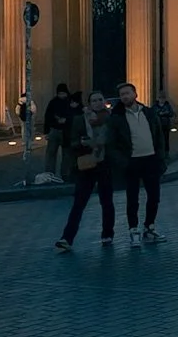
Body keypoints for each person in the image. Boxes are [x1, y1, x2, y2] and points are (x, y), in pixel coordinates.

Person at [106, 82, 168, 247]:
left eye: (127, 93)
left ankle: (149, 227)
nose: (125, 96)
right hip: (131, 162)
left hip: (151, 160)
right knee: (132, 199)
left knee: (154, 197)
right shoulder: (116, 117)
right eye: (122, 94)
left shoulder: (149, 112)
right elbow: (111, 144)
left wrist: (161, 157)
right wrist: (123, 162)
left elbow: (159, 136)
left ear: (135, 94)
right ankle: (133, 230)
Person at [55, 89, 116, 251]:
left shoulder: (111, 119)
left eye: (100, 99)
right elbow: (71, 142)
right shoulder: (80, 120)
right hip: (86, 164)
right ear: (89, 104)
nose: (97, 102)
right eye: (94, 100)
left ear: (104, 101)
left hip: (104, 164)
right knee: (79, 203)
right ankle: (67, 238)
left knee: (107, 201)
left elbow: (116, 141)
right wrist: (82, 143)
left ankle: (107, 234)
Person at [42, 83, 74, 183]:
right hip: (55, 130)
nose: (61, 95)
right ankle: (49, 174)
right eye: (60, 93)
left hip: (66, 131)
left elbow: (74, 115)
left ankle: (65, 174)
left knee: (66, 154)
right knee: (51, 154)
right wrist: (46, 131)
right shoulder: (54, 102)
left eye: (63, 93)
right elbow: (47, 117)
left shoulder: (70, 102)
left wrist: (66, 120)